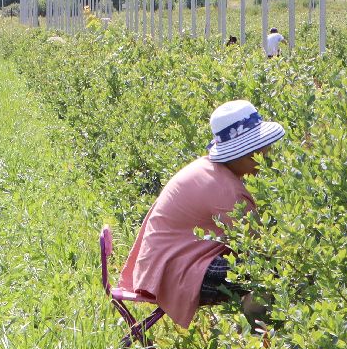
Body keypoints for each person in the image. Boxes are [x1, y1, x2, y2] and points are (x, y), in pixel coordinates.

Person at [118, 99, 284, 331]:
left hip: (161, 264)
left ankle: (256, 334)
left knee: (265, 273)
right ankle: (266, 346)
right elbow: (258, 249)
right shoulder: (227, 190)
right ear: (246, 154)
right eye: (261, 154)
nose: (266, 160)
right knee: (271, 274)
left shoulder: (211, 171)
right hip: (176, 272)